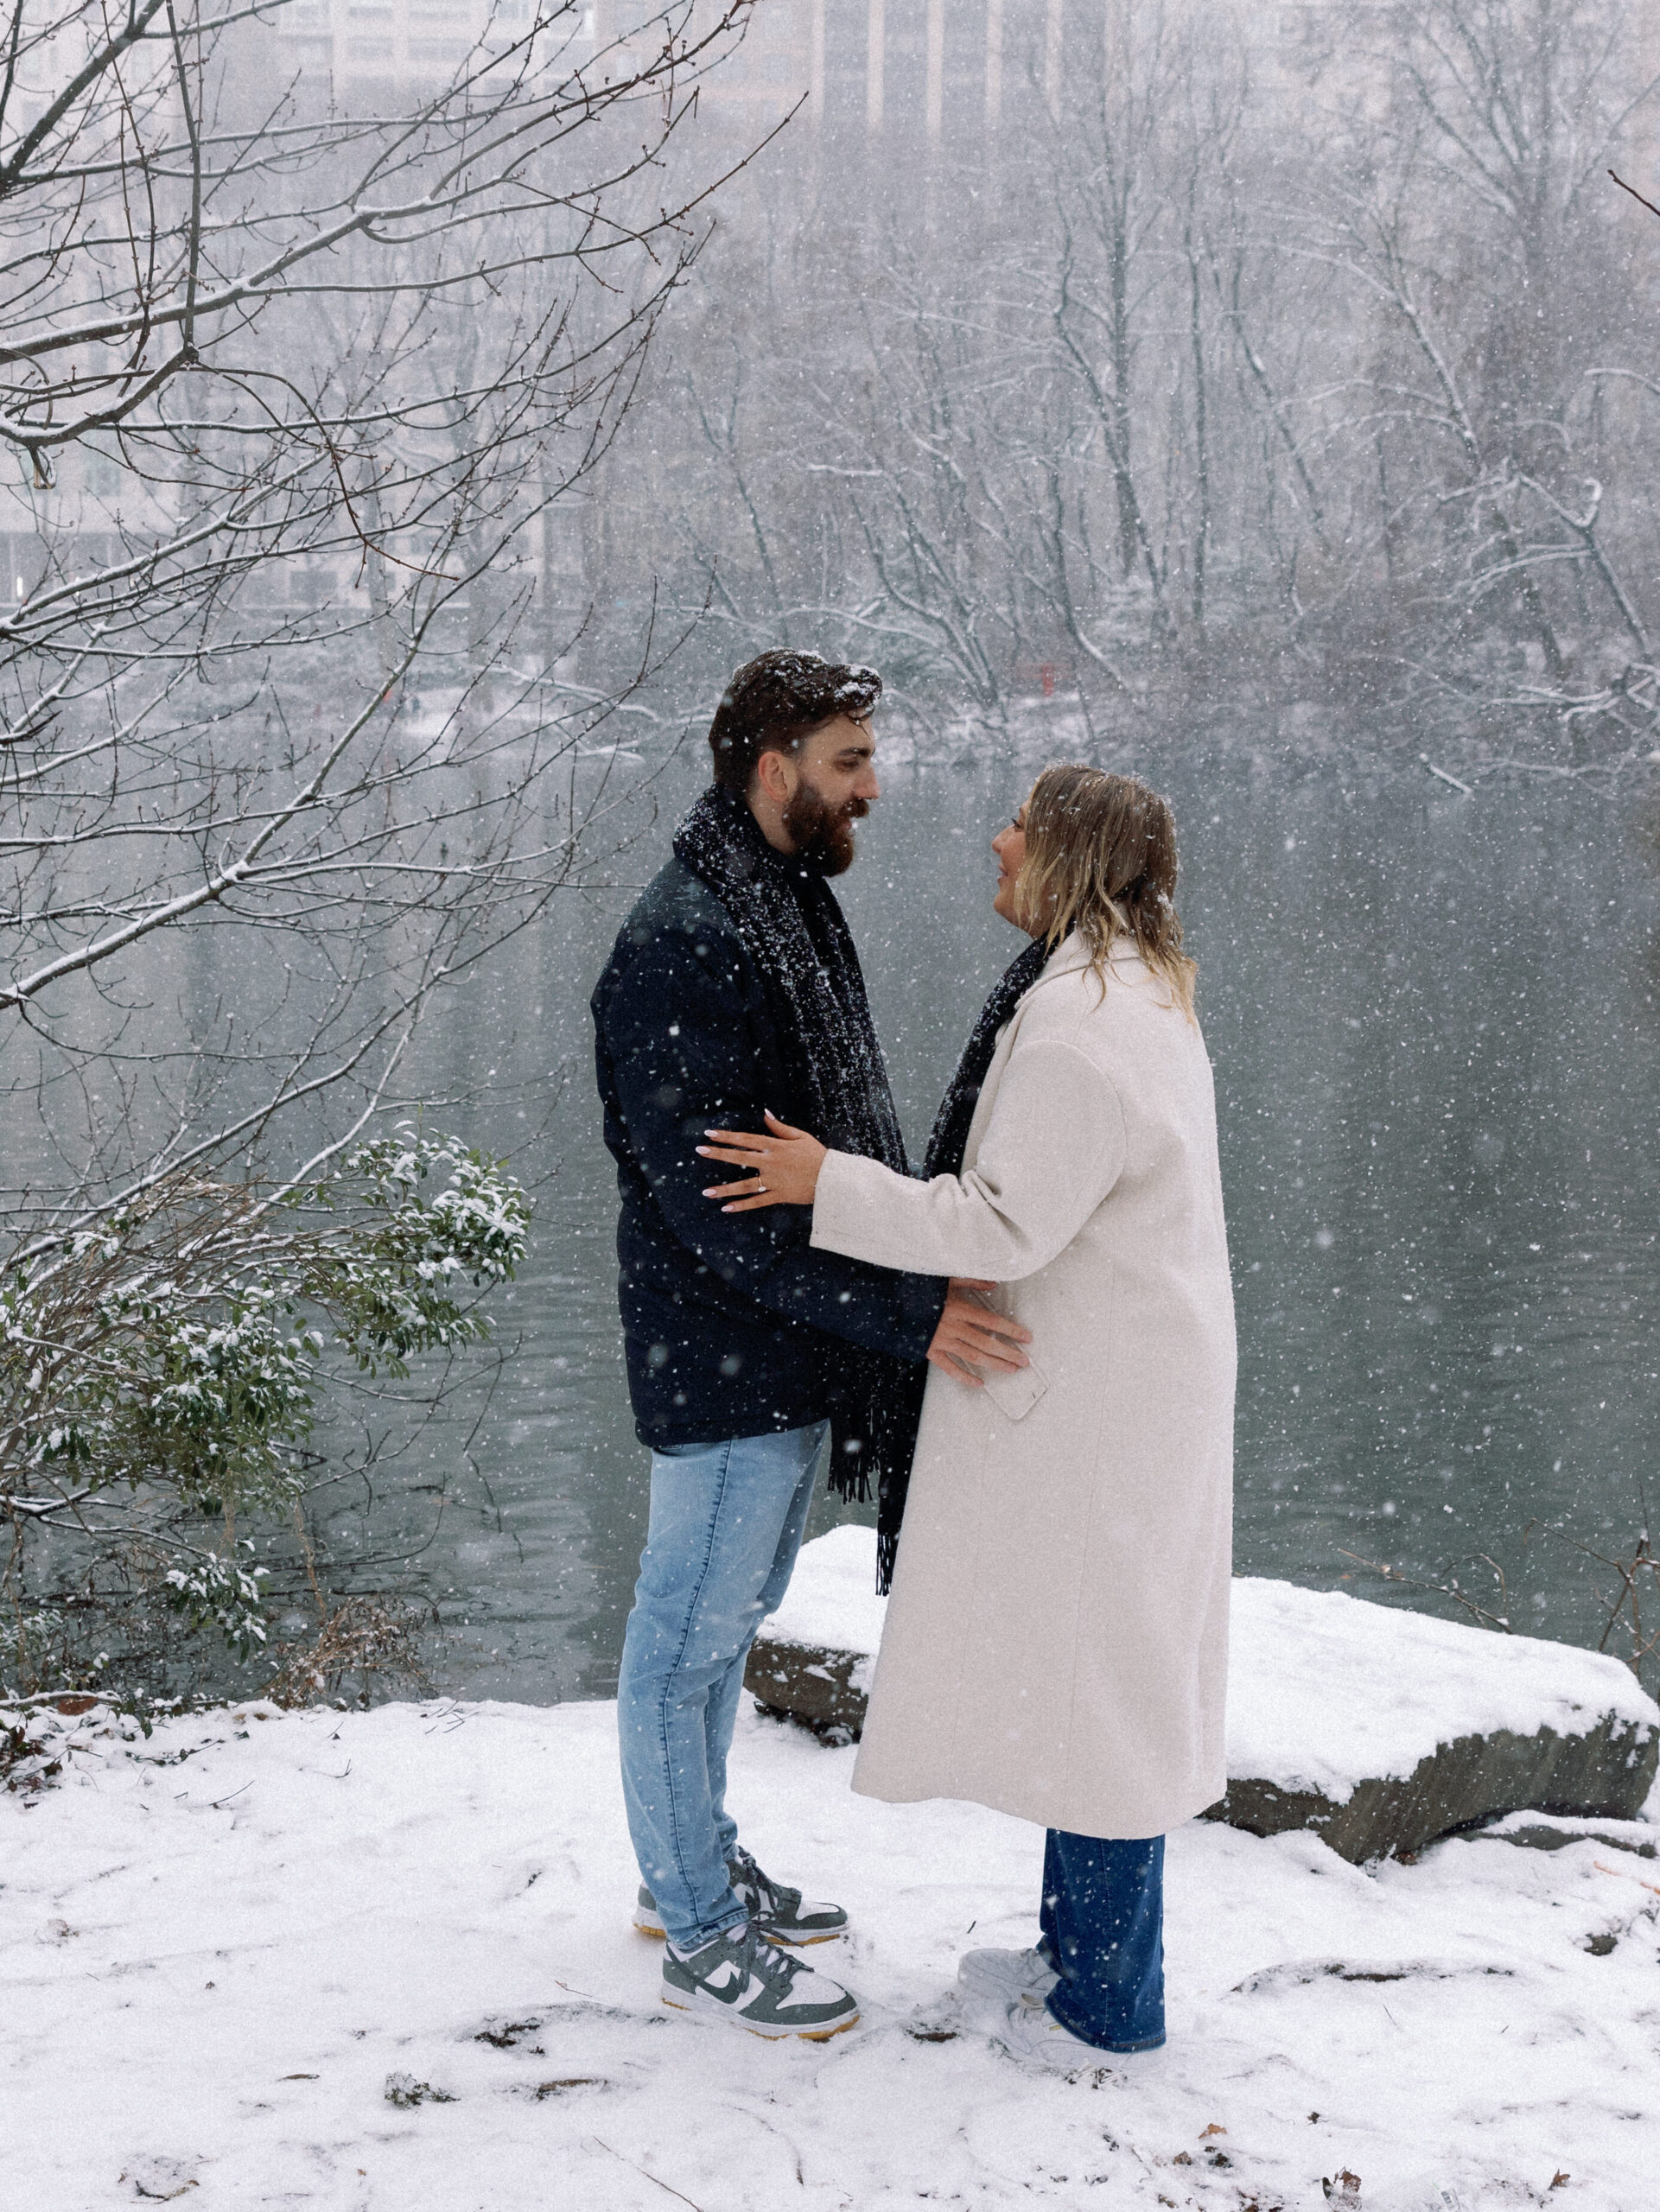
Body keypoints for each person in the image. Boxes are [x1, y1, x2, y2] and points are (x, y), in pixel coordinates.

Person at [696, 764, 1236, 2064]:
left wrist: (825, 1181)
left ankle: (1106, 2010)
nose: (993, 842)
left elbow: (1002, 1217)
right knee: (1095, 1680)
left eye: (1017, 826)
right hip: (1120, 1379)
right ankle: (1073, 1957)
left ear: (1066, 857)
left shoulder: (1079, 1026)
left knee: (1101, 1697)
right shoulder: (1120, 986)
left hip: (1096, 1401)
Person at [590, 650, 1032, 2043]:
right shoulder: (687, 940)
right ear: (769, 762)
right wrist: (911, 1313)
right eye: (848, 762)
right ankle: (698, 1930)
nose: (872, 787)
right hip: (724, 1362)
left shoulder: (772, 902)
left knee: (721, 1633)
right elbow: (717, 1214)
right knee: (682, 1642)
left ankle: (693, 1868)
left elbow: (811, 1162)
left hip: (777, 1357)